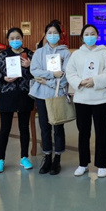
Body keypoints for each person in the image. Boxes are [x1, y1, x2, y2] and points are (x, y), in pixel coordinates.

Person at [66, 24, 106, 178]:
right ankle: (83, 164)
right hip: (82, 99)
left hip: (100, 99)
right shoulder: (76, 54)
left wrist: (95, 81)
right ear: (82, 37)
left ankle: (102, 164)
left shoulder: (105, 53)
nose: (90, 36)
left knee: (102, 132)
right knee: (83, 132)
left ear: (97, 35)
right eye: (87, 34)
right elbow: (70, 73)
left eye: (92, 33)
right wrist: (80, 82)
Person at [0, 27, 34, 173]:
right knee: (5, 128)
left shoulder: (29, 55)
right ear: (8, 40)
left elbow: (39, 73)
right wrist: (4, 78)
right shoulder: (3, 55)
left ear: (22, 38)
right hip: (6, 95)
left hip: (25, 95)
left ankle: (24, 157)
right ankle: (0, 159)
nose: (15, 41)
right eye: (12, 38)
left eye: (18, 38)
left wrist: (30, 66)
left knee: (24, 127)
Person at [30, 21, 71, 175]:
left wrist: (47, 81)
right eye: (49, 33)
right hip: (41, 95)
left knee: (58, 127)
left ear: (60, 35)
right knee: (44, 127)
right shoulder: (39, 52)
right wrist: (52, 74)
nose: (52, 35)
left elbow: (65, 77)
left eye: (55, 33)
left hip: (57, 94)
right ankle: (47, 157)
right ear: (45, 35)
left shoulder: (65, 53)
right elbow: (35, 71)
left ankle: (57, 159)